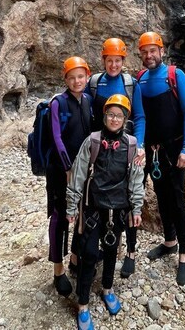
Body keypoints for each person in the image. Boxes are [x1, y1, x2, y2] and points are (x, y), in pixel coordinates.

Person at [67, 94, 145, 330]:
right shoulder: (92, 142)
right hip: (93, 208)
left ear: (125, 119)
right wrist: (72, 206)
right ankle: (82, 304)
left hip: (118, 210)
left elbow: (136, 179)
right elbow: (78, 174)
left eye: (119, 116)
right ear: (104, 116)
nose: (114, 119)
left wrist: (137, 208)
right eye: (111, 114)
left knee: (111, 252)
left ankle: (108, 288)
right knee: (89, 254)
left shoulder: (131, 146)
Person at [136, 31, 185, 285]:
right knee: (160, 193)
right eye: (144, 52)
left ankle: (184, 254)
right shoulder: (140, 80)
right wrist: (140, 145)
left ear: (161, 51)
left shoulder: (175, 75)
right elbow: (139, 117)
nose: (149, 55)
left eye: (153, 50)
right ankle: (170, 241)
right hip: (154, 150)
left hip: (175, 148)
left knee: (177, 197)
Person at [86, 37, 147, 278]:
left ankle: (130, 251)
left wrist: (139, 145)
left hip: (126, 148)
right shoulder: (94, 83)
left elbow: (139, 117)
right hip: (101, 150)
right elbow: (88, 115)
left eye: (117, 60)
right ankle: (101, 245)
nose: (113, 65)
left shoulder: (130, 84)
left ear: (123, 60)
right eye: (109, 60)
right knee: (99, 195)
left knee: (129, 199)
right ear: (103, 60)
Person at [47, 56, 93, 297]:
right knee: (60, 216)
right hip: (61, 171)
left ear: (87, 77)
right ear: (65, 79)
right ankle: (58, 270)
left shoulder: (88, 101)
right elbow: (57, 138)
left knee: (81, 213)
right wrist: (68, 168)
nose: (77, 81)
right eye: (72, 77)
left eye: (81, 76)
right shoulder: (58, 103)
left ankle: (75, 257)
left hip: (83, 169)